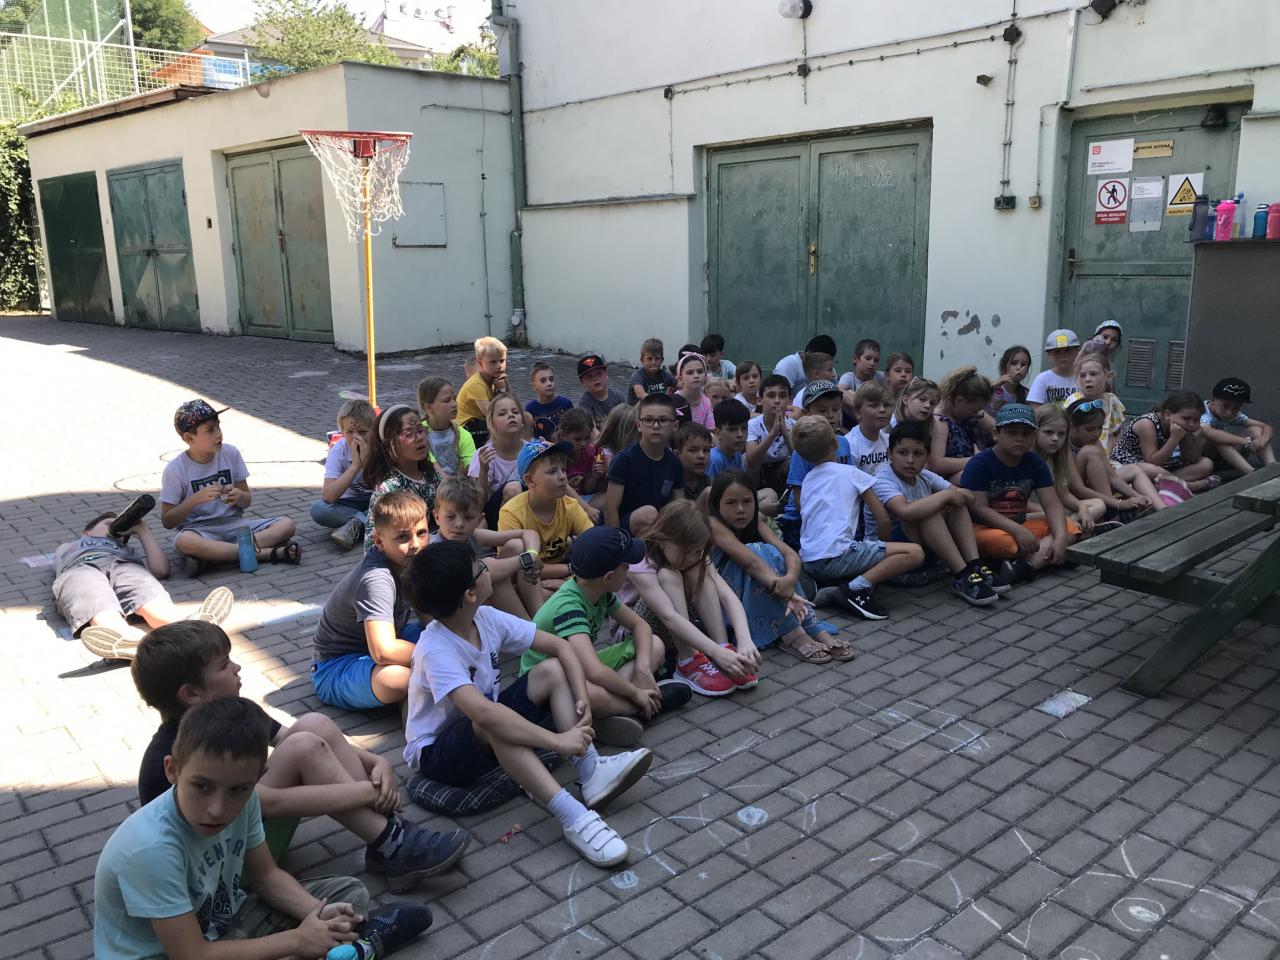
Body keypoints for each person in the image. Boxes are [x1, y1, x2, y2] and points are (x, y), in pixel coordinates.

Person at [96, 697, 435, 960]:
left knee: (346, 894)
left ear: (257, 779)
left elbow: (266, 876)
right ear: (172, 770)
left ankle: (344, 948)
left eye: (238, 790)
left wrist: (315, 914)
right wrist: (297, 940)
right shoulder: (151, 849)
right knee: (305, 937)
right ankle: (357, 948)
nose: (217, 808)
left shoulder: (247, 802)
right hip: (176, 952)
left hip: (221, 924)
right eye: (201, 786)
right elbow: (192, 955)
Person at [132, 625, 469, 889]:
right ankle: (393, 843)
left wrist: (376, 763)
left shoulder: (230, 714)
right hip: (221, 869)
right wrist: (367, 791)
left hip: (244, 834)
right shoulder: (178, 753)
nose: (237, 667)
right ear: (192, 694)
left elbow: (297, 737)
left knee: (313, 725)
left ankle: (389, 840)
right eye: (224, 665)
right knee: (304, 747)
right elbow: (270, 802)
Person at [403, 540, 653, 868]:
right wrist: (557, 742)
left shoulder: (485, 617)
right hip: (438, 755)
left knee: (550, 670)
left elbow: (561, 648)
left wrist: (581, 697)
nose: (490, 568)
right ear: (470, 594)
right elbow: (482, 713)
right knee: (494, 722)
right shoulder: (435, 649)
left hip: (483, 726)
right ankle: (574, 816)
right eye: (482, 568)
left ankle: (591, 769)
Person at [519, 526, 690, 745]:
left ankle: (614, 713)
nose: (629, 568)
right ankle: (643, 705)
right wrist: (634, 693)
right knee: (595, 695)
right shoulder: (569, 606)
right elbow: (594, 671)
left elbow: (641, 626)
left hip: (580, 667)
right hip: (551, 684)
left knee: (655, 644)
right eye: (625, 564)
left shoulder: (599, 591)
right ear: (609, 577)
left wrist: (643, 668)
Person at [708, 471, 850, 663]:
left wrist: (789, 579)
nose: (740, 509)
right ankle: (792, 632)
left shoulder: (756, 522)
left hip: (770, 584)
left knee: (770, 551)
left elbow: (790, 554)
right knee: (757, 550)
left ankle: (811, 625)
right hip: (726, 597)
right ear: (717, 504)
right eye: (731, 503)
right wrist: (787, 592)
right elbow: (750, 562)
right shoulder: (713, 524)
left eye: (747, 501)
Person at [54, 509, 233, 662]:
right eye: (109, 524)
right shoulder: (69, 546)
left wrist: (142, 530)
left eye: (121, 530)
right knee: (94, 597)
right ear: (86, 532)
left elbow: (161, 569)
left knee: (145, 590)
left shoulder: (128, 552)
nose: (116, 529)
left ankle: (191, 625)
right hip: (81, 567)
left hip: (122, 564)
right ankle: (124, 640)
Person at [621, 500, 761, 695]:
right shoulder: (640, 561)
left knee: (699, 570)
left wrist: (744, 639)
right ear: (663, 541)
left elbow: (727, 595)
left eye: (697, 551)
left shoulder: (695, 556)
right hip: (642, 634)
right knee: (669, 575)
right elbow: (669, 616)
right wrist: (714, 652)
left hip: (682, 628)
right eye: (685, 551)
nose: (691, 557)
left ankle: (723, 649)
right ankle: (688, 662)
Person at [791, 415, 923, 619]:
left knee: (859, 554)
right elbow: (883, 518)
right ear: (836, 443)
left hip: (809, 560)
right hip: (838, 555)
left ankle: (831, 589)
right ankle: (853, 590)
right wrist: (881, 550)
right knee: (915, 553)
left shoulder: (808, 479)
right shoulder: (851, 473)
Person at [312, 491, 429, 711]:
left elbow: (429, 616)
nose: (415, 544)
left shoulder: (411, 560)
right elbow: (383, 651)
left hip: (384, 641)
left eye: (422, 533)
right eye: (402, 537)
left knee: (447, 632)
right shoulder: (377, 579)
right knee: (398, 678)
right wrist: (439, 655)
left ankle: (417, 692)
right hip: (337, 666)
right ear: (378, 541)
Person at [160, 400, 298, 577]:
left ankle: (214, 557)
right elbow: (167, 520)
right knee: (184, 541)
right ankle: (266, 553)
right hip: (200, 531)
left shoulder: (231, 453)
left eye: (218, 426)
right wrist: (195, 500)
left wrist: (239, 496)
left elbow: (246, 501)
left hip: (235, 525)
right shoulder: (175, 469)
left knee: (286, 525)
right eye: (210, 430)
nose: (219, 434)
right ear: (189, 438)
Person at [872, 420, 1002, 605]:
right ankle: (962, 575)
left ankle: (975, 564)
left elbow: (969, 497)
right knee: (930, 511)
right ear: (890, 453)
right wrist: (946, 496)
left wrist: (952, 496)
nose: (910, 460)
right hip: (894, 553)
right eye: (903, 453)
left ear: (927, 456)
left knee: (955, 504)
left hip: (923, 548)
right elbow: (905, 511)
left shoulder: (924, 475)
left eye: (918, 454)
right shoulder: (883, 478)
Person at [961, 403, 1080, 583]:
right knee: (1006, 543)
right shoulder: (980, 463)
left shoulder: (1034, 462)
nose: (1019, 438)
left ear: (1033, 435)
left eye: (1026, 433)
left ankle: (1022, 568)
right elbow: (979, 509)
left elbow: (1052, 504)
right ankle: (1046, 557)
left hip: (1020, 522)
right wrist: (1018, 530)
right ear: (996, 433)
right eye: (1012, 432)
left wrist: (1061, 539)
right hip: (983, 527)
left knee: (1071, 528)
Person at [434, 476, 545, 617]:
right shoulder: (435, 548)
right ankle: (529, 626)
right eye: (450, 517)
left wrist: (532, 554)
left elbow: (528, 533)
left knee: (516, 545)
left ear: (479, 520)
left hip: (478, 597)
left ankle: (540, 616)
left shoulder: (473, 535)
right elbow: (479, 573)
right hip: (457, 609)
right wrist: (525, 560)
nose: (459, 524)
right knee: (486, 572)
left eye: (468, 517)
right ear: (436, 517)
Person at [499, 439, 594, 585]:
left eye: (563, 469)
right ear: (530, 481)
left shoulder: (569, 505)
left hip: (558, 573)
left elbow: (594, 542)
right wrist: (570, 570)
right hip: (524, 582)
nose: (562, 476)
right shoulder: (512, 512)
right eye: (552, 471)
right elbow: (516, 569)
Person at [777, 380, 851, 549]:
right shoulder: (803, 450)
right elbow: (798, 495)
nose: (830, 415)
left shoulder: (844, 443)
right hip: (802, 518)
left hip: (835, 513)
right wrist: (817, 521)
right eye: (822, 411)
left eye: (836, 409)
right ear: (806, 414)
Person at [362, 404, 440, 550]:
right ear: (390, 444)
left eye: (420, 430)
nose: (419, 438)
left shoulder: (430, 474)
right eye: (408, 434)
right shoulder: (388, 489)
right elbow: (372, 546)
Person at [605, 393, 685, 533]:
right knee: (648, 513)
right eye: (648, 420)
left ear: (675, 426)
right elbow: (610, 508)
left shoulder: (675, 463)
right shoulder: (624, 459)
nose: (656, 426)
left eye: (663, 420)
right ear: (639, 425)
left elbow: (680, 504)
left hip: (659, 526)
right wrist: (618, 541)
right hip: (626, 528)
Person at [1066, 398, 1161, 516]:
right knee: (1091, 451)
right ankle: (1112, 512)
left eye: (1100, 428)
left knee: (1133, 469)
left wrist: (1138, 497)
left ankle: (1161, 510)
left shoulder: (1093, 441)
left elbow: (1112, 477)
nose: (1096, 434)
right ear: (1072, 426)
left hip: (1094, 485)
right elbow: (1078, 489)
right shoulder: (1065, 445)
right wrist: (1119, 504)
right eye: (1089, 429)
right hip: (1073, 493)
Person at [1111, 391, 1218, 493]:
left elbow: (1190, 459)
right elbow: (1152, 462)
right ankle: (1191, 486)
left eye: (1196, 420)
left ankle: (1159, 484)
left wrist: (1197, 439)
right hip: (1133, 464)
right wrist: (1174, 439)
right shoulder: (1147, 423)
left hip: (1162, 465)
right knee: (1150, 469)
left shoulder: (1181, 426)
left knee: (1206, 464)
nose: (1191, 424)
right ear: (1167, 414)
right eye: (1186, 418)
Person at [311, 398, 376, 550]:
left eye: (362, 432)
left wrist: (368, 462)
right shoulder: (338, 450)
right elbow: (328, 496)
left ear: (373, 430)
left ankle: (356, 525)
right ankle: (366, 523)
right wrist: (355, 466)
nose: (356, 437)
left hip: (377, 499)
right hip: (349, 503)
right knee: (318, 509)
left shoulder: (380, 447)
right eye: (350, 432)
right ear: (342, 432)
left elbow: (388, 486)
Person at [1033, 404, 1105, 534]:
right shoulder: (1025, 458)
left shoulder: (1055, 458)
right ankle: (1073, 530)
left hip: (1052, 509)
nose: (1055, 438)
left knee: (1098, 504)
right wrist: (1057, 513)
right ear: (1035, 431)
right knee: (1062, 516)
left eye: (1061, 434)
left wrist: (1081, 507)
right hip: (1032, 512)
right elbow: (1021, 504)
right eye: (1049, 432)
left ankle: (1071, 529)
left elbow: (1064, 494)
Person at [467, 392, 527, 527]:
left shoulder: (532, 450)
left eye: (515, 412)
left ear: (522, 421)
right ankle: (504, 534)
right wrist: (483, 470)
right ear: (492, 424)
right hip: (494, 516)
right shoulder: (484, 454)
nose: (511, 415)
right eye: (502, 414)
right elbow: (478, 503)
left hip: (529, 509)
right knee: (513, 489)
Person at [1200, 377, 1275, 475]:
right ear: (1213, 399)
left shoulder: (1234, 415)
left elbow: (1266, 427)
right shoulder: (1201, 410)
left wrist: (1262, 441)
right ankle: (1252, 473)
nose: (1229, 413)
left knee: (1255, 430)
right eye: (1225, 406)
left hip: (1227, 456)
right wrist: (1247, 442)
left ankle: (1273, 467)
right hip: (1204, 458)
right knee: (1220, 438)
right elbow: (1209, 432)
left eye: (1236, 408)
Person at [932, 367, 993, 482]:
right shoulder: (940, 422)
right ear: (959, 401)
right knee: (978, 474)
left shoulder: (968, 414)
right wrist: (978, 459)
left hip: (969, 467)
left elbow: (998, 430)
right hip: (945, 479)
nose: (976, 414)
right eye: (974, 411)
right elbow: (937, 464)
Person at [1064, 352, 1125, 455]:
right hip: (1079, 454)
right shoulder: (1074, 401)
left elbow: (1113, 434)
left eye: (1093, 374)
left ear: (1108, 376)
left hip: (1105, 455)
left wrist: (1107, 458)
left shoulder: (1112, 401)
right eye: (1082, 375)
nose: (1088, 379)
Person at [456, 335, 511, 445]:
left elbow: (512, 403)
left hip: (480, 422)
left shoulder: (495, 378)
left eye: (502, 360)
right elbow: (492, 414)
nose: (499, 366)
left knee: (523, 418)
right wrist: (501, 391)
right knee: (502, 424)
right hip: (465, 429)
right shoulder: (476, 384)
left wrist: (506, 385)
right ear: (480, 363)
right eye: (493, 362)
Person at [746, 373, 796, 495]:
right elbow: (751, 460)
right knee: (746, 463)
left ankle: (787, 498)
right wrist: (773, 434)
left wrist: (785, 432)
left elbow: (799, 459)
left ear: (790, 400)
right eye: (771, 396)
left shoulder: (795, 425)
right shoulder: (752, 424)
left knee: (793, 463)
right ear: (759, 400)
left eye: (782, 396)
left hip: (780, 471)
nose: (777, 401)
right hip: (758, 472)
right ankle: (750, 497)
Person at [418, 377, 477, 479]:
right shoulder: (419, 434)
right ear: (429, 408)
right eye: (447, 400)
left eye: (454, 398)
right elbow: (432, 466)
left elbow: (473, 470)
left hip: (455, 485)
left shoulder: (462, 434)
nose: (454, 404)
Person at [558, 407, 607, 505]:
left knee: (609, 498)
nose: (583, 444)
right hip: (562, 501)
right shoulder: (557, 456)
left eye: (587, 438)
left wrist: (594, 476)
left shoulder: (590, 452)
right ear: (563, 435)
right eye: (577, 439)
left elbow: (587, 490)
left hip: (583, 499)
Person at [846, 381, 893, 477]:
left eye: (886, 405)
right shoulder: (850, 444)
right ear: (858, 413)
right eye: (874, 405)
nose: (882, 410)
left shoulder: (890, 440)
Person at [1027, 329, 1081, 407]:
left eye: (1068, 350)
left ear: (1077, 352)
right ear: (1048, 355)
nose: (1062, 355)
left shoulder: (1085, 376)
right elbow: (1035, 410)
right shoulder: (1042, 379)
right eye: (1057, 352)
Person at [526, 362, 575, 440]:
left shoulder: (565, 403)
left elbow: (575, 428)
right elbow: (528, 436)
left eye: (551, 379)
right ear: (534, 386)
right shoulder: (530, 408)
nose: (549, 383)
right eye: (543, 381)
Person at [577, 354, 626, 428]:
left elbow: (628, 422)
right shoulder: (584, 403)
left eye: (599, 373)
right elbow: (591, 429)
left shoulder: (619, 397)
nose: (595, 378)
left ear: (606, 375)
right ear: (582, 382)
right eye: (590, 376)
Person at [673, 421, 714, 508]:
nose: (701, 456)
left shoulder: (709, 482)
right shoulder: (671, 485)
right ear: (677, 454)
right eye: (693, 450)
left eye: (706, 450)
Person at [674, 351, 715, 429]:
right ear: (680, 378)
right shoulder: (672, 401)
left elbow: (710, 430)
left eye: (700, 372)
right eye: (690, 373)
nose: (696, 376)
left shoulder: (707, 402)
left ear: (705, 376)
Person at [988, 345, 1031, 416]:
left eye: (1023, 364)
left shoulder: (1028, 395)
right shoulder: (991, 387)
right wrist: (992, 385)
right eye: (1014, 363)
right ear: (1004, 366)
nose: (1019, 368)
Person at [630, 337, 677, 402]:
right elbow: (640, 395)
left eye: (657, 358)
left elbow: (680, 385)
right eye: (649, 358)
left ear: (662, 360)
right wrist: (660, 403)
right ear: (642, 360)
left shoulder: (664, 375)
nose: (653, 362)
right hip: (640, 408)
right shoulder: (637, 376)